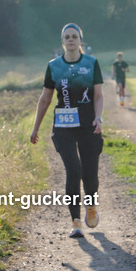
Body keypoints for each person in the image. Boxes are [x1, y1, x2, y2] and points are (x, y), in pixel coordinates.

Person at [30, 23, 104, 238]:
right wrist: (35, 128)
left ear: (80, 40)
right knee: (73, 170)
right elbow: (45, 99)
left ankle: (90, 206)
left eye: (74, 36)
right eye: (67, 37)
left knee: (90, 174)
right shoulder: (53, 66)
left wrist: (99, 117)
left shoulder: (91, 64)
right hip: (63, 126)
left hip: (88, 125)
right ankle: (75, 221)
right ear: (62, 41)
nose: (71, 40)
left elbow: (98, 96)